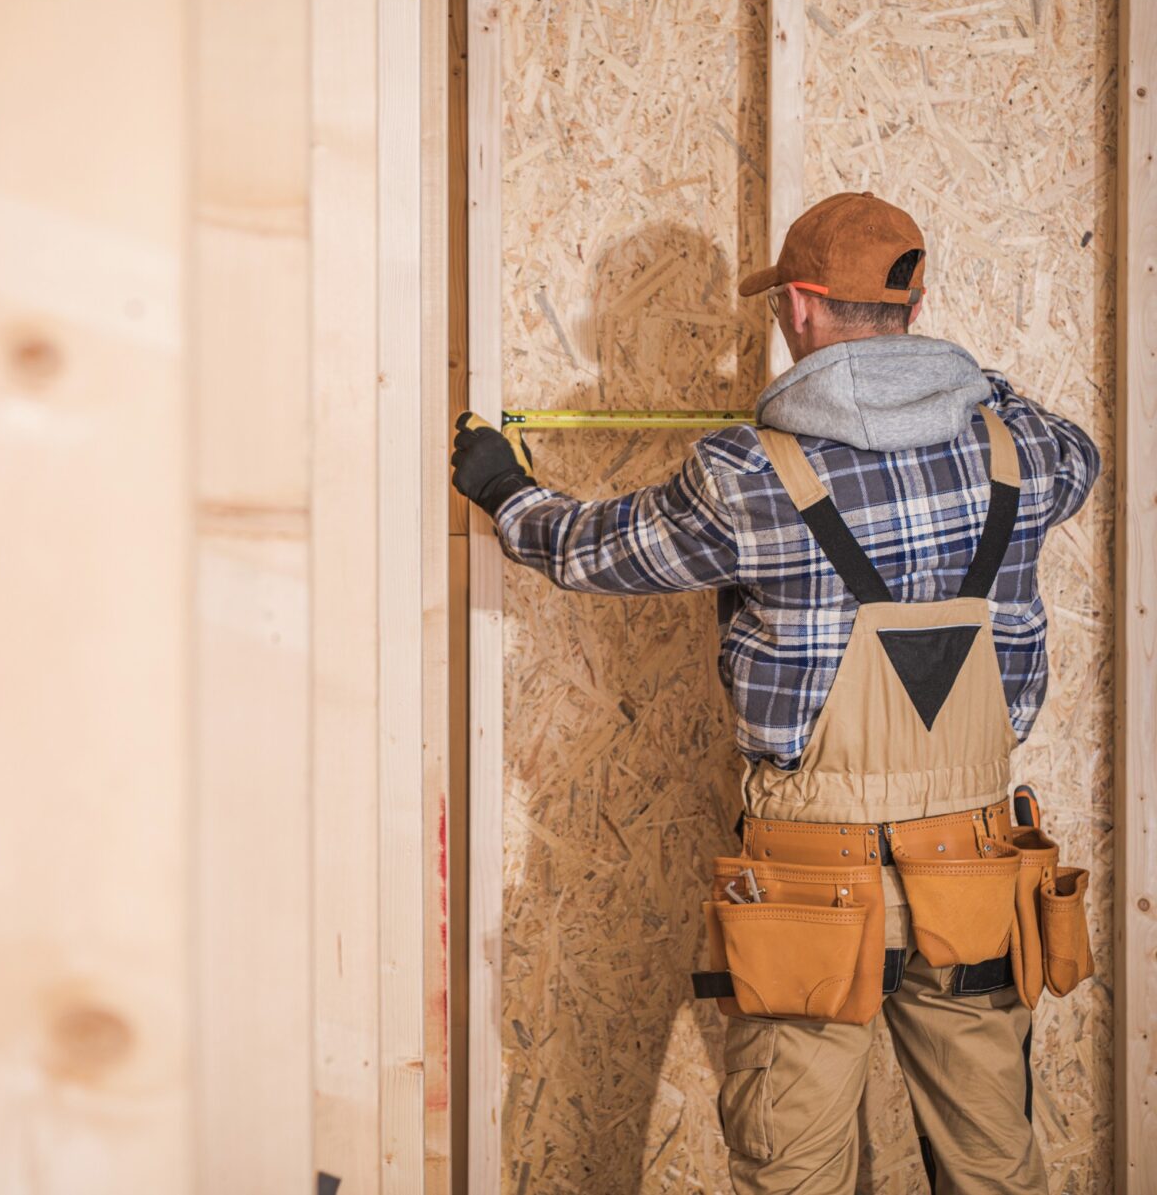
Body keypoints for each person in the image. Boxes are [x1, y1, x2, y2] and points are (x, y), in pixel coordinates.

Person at [450, 191, 1099, 1195]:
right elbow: (1079, 448)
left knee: (793, 1173)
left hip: (811, 887)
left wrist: (504, 488)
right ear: (912, 304)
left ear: (801, 305)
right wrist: (973, 387)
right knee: (997, 1167)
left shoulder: (749, 472)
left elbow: (593, 552)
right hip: (975, 870)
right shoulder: (1020, 449)